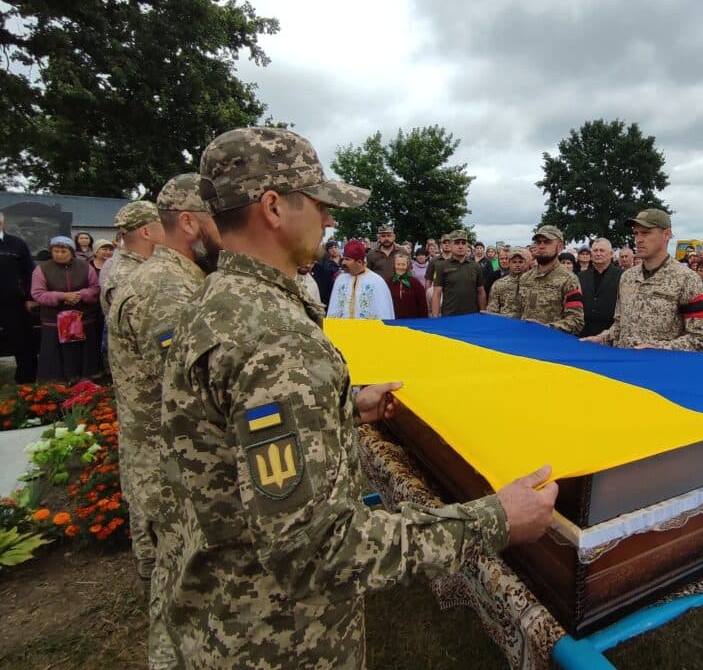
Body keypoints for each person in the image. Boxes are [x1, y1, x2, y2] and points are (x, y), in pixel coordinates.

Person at [160, 126, 557, 670]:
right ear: (273, 207)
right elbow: (314, 548)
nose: (329, 220)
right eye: (319, 203)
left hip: (220, 613)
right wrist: (495, 518)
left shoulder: (218, 301)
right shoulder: (275, 338)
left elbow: (235, 438)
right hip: (276, 640)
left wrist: (342, 407)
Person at [106, 174, 221, 668]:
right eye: (219, 219)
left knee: (176, 589)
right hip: (173, 468)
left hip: (166, 463)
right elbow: (193, 390)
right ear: (190, 222)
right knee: (184, 600)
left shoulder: (170, 279)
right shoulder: (167, 290)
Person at [581, 210, 703, 351]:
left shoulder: (686, 278)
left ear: (667, 234)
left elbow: (701, 337)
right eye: (636, 233)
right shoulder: (627, 277)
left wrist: (659, 348)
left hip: (659, 363)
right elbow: (619, 325)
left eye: (646, 233)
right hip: (624, 361)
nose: (638, 239)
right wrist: (602, 338)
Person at [31, 236, 101, 382]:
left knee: (81, 353)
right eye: (56, 251)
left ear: (71, 252)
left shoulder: (85, 267)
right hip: (54, 319)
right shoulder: (42, 269)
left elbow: (95, 288)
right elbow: (38, 293)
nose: (59, 254)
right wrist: (62, 296)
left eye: (63, 251)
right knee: (55, 355)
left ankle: (84, 379)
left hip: (82, 318)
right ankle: (57, 383)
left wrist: (80, 295)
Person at [514, 225, 584, 334]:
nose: (541, 246)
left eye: (547, 242)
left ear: (560, 246)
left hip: (552, 341)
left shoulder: (569, 280)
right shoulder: (525, 278)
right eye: (538, 242)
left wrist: (547, 328)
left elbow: (576, 321)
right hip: (525, 339)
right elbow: (516, 312)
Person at [101, 201, 164, 316]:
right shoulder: (128, 278)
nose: (167, 232)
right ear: (146, 232)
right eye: (163, 226)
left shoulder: (143, 266)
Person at [0, 211, 38, 382]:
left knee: (22, 341)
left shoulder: (16, 244)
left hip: (13, 302)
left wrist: (30, 297)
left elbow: (29, 272)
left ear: (2, 223)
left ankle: (26, 379)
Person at [327, 240, 395, 319]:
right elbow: (333, 309)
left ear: (359, 262)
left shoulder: (377, 282)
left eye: (347, 259)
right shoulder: (340, 280)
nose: (343, 263)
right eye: (343, 259)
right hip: (342, 327)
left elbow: (384, 313)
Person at [431, 230, 485, 317]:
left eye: (463, 243)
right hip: (449, 316)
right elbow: (437, 294)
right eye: (457, 243)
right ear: (451, 245)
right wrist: (435, 318)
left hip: (471, 316)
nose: (460, 246)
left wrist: (482, 313)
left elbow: (481, 291)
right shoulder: (441, 266)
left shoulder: (475, 266)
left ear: (467, 245)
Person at [578, 238, 622, 338]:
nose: (598, 254)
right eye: (595, 250)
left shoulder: (622, 276)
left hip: (611, 334)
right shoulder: (581, 277)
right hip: (584, 332)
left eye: (602, 250)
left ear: (611, 254)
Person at [486, 247, 528, 316]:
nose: (517, 265)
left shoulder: (532, 282)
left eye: (520, 262)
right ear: (509, 263)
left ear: (525, 263)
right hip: (505, 320)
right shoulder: (498, 284)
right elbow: (492, 310)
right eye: (514, 262)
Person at [387, 252, 428, 318]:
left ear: (407, 266)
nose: (400, 267)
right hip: (393, 320)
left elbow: (423, 305)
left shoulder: (416, 283)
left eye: (403, 265)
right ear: (394, 265)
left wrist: (423, 321)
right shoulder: (388, 282)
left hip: (412, 321)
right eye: (398, 264)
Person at [312, 239, 342, 305]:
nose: (334, 250)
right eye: (331, 248)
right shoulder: (324, 264)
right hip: (330, 294)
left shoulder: (344, 261)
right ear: (327, 251)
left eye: (335, 247)